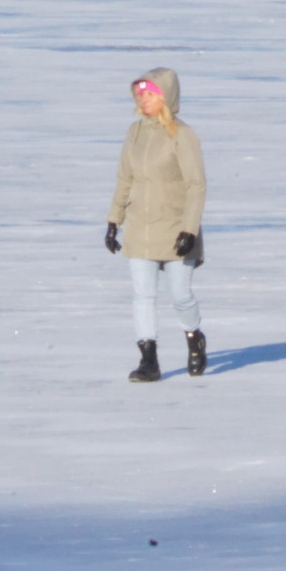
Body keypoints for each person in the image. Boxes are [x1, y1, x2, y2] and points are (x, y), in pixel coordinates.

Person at [106, 68, 208, 382]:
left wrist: (189, 230)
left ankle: (194, 338)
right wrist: (114, 221)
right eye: (140, 94)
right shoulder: (134, 132)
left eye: (150, 94)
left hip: (176, 228)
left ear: (166, 97)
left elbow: (196, 185)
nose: (144, 100)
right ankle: (148, 360)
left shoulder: (182, 134)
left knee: (180, 296)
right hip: (140, 227)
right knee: (143, 296)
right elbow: (125, 178)